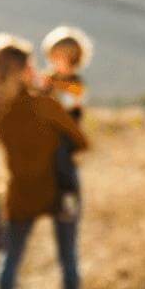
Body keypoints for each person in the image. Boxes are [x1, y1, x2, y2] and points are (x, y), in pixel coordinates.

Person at [0, 33, 89, 289]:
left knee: (9, 260)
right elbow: (81, 139)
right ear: (22, 69)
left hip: (20, 189)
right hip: (60, 186)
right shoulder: (44, 105)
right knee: (68, 258)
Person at [39, 26, 93, 222]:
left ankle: (68, 199)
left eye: (64, 56)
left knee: (63, 160)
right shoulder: (48, 79)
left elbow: (72, 100)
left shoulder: (75, 82)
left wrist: (53, 87)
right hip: (47, 133)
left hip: (67, 134)